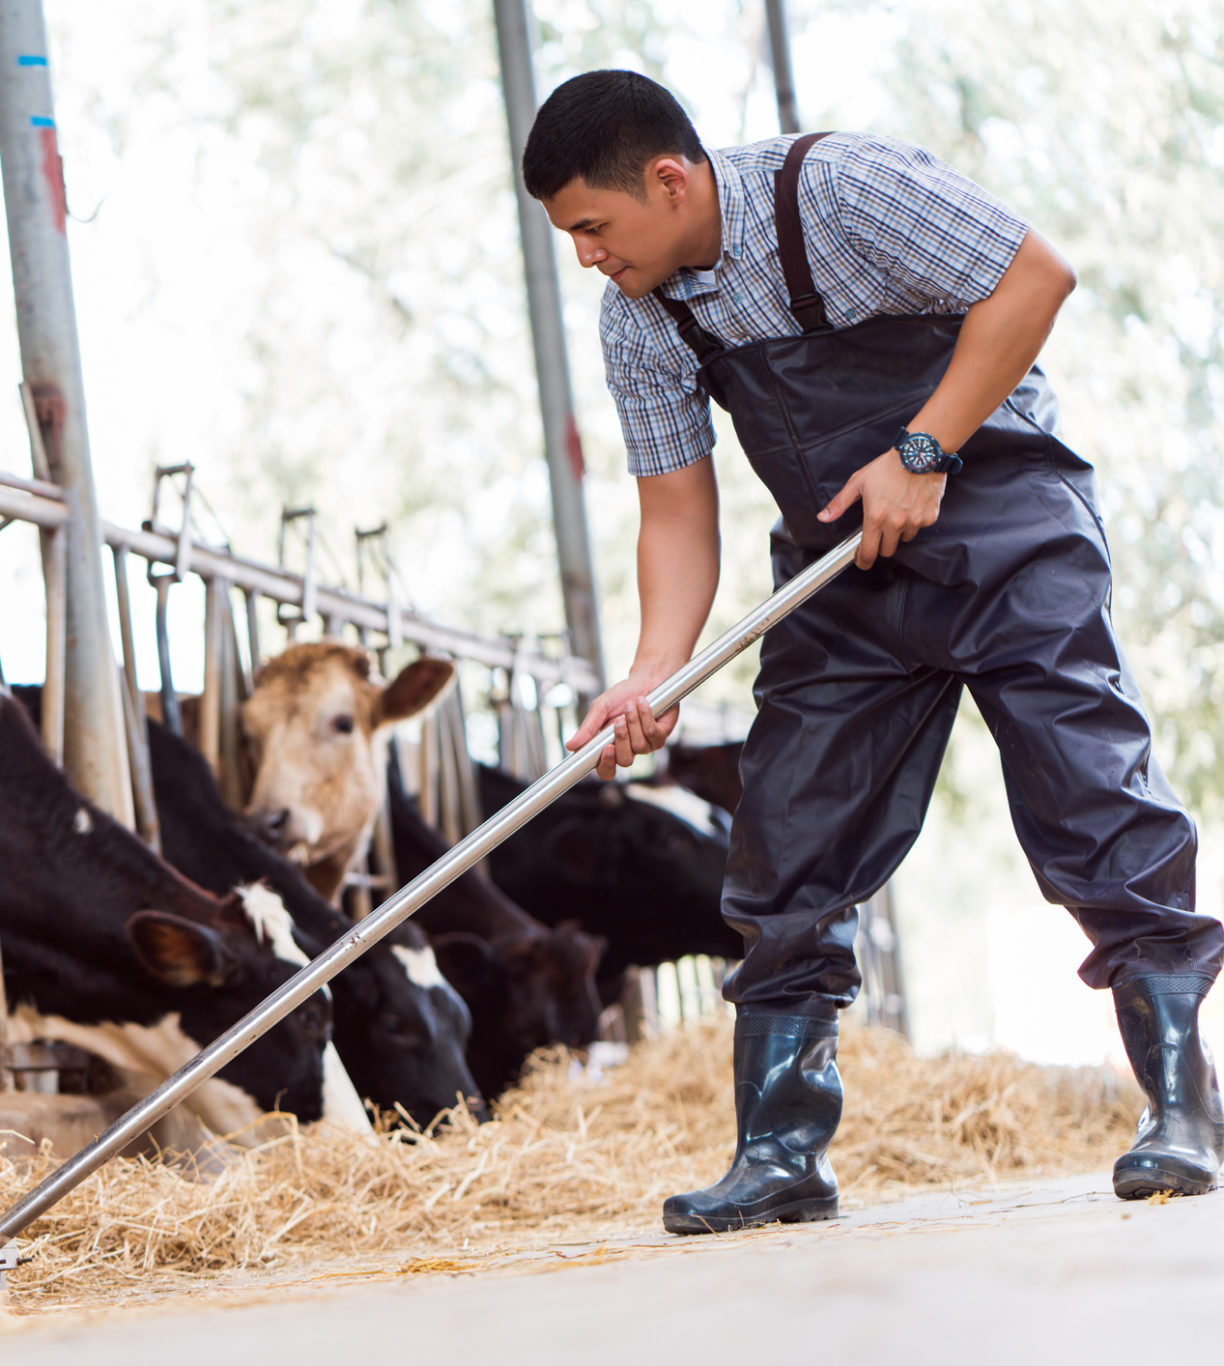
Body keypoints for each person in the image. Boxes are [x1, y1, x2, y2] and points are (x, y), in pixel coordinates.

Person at [524, 70, 1224, 1233]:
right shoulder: (638, 314)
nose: (588, 258)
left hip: (1004, 531)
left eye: (592, 229)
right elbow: (674, 515)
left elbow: (1031, 276)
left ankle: (1178, 1107)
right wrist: (650, 675)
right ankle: (779, 1149)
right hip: (839, 576)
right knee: (784, 841)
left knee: (1090, 802)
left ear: (667, 178)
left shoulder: (840, 191)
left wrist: (922, 450)